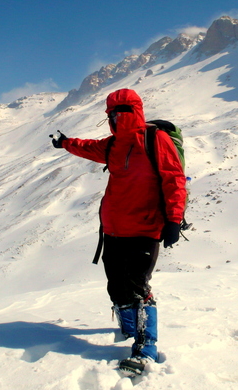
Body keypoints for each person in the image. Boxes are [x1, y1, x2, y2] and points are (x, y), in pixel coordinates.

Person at [51, 88, 187, 373]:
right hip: (113, 228)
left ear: (133, 111)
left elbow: (173, 179)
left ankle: (145, 348)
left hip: (145, 227)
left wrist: (174, 219)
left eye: (119, 112)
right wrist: (66, 143)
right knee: (117, 287)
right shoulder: (114, 145)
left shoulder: (155, 139)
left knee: (137, 288)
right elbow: (88, 148)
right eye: (111, 113)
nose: (114, 117)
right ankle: (128, 330)